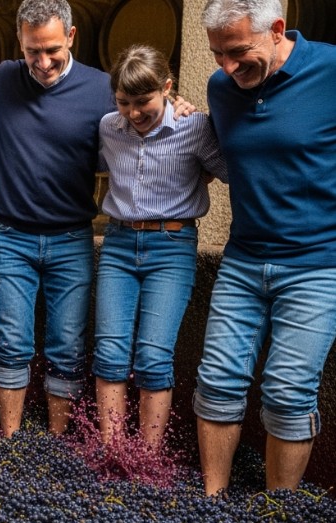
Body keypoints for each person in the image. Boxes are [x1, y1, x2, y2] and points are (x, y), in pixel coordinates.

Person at [194, 0, 336, 494]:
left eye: (237, 52)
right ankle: (211, 505)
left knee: (288, 393)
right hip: (242, 261)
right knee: (215, 383)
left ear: (277, 30)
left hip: (318, 265)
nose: (227, 68)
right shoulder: (221, 89)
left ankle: (279, 517)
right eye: (217, 55)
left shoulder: (331, 71)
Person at [0, 0, 114, 437]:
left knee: (67, 345)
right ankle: (11, 441)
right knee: (12, 342)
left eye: (52, 50)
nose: (42, 62)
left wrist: (183, 108)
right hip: (10, 236)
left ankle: (55, 444)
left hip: (72, 237)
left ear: (72, 37)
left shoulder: (103, 88)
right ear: (20, 42)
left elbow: (146, 118)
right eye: (31, 51)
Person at [93, 44, 227, 450]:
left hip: (172, 247)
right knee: (110, 353)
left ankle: (148, 460)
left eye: (144, 102)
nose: (133, 113)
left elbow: (227, 169)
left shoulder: (195, 127)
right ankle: (113, 453)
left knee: (153, 357)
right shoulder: (108, 128)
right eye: (124, 102)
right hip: (118, 244)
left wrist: (190, 184)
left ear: (167, 88)